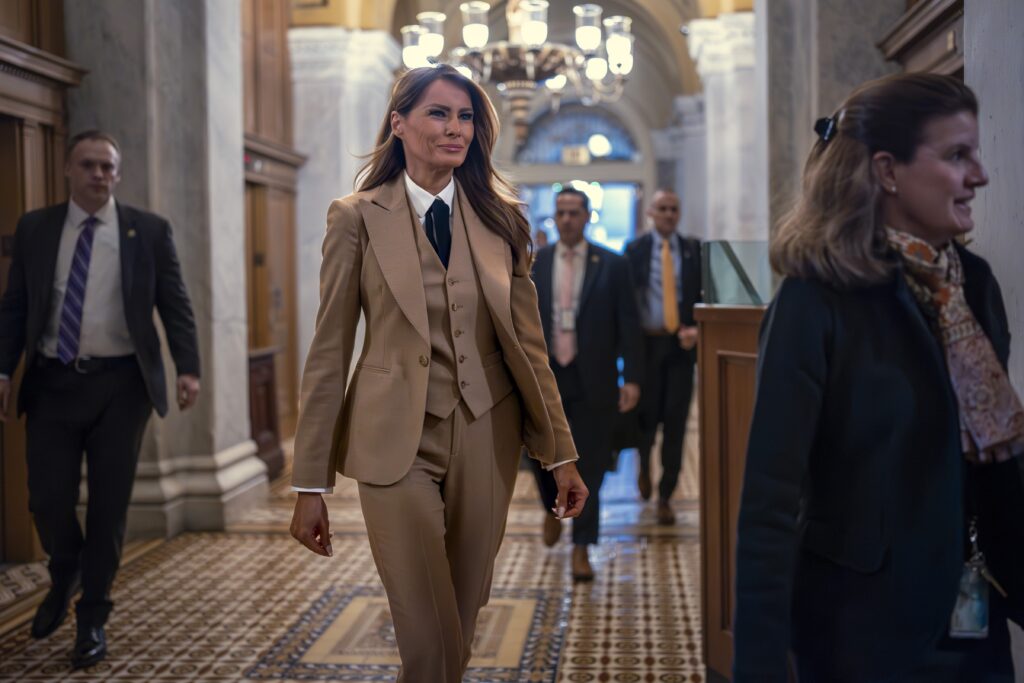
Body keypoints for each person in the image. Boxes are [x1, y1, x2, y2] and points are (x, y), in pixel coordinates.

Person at [288, 65, 588, 683]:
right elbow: (328, 349)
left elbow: (529, 348)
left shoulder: (503, 218)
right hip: (392, 442)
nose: (456, 128)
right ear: (399, 124)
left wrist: (560, 453)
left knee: (462, 611)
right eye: (439, 113)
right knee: (425, 625)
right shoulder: (355, 217)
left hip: (488, 432)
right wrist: (309, 482)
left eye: (467, 117)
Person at [733, 73, 1024, 682]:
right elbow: (770, 504)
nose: (980, 175)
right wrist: (759, 666)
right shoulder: (815, 300)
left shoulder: (974, 286)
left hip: (973, 622)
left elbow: (996, 464)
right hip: (859, 637)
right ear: (888, 172)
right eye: (956, 156)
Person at [0, 130, 201, 669]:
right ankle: (64, 567)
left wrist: (189, 369)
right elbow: (15, 306)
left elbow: (174, 304)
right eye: (88, 165)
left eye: (107, 167)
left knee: (110, 506)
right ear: (68, 170)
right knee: (46, 498)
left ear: (117, 173)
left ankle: (92, 618)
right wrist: (2, 367)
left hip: (121, 386)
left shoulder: (148, 231)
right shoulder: (38, 229)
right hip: (52, 382)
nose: (99, 175)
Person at [529, 187, 642, 580]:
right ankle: (550, 508)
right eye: (560, 213)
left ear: (587, 216)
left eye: (574, 212)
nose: (566, 219)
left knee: (590, 463)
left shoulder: (612, 265)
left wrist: (632, 379)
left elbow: (630, 324)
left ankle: (581, 547)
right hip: (546, 377)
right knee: (540, 454)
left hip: (593, 377)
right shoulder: (535, 263)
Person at [624, 189, 702, 524]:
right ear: (651, 214)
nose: (668, 214)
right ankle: (644, 465)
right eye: (662, 209)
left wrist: (697, 330)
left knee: (676, 423)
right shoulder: (635, 250)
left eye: (674, 209)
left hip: (680, 349)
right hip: (646, 348)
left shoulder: (693, 250)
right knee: (646, 419)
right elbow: (627, 304)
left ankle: (667, 494)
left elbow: (703, 295)